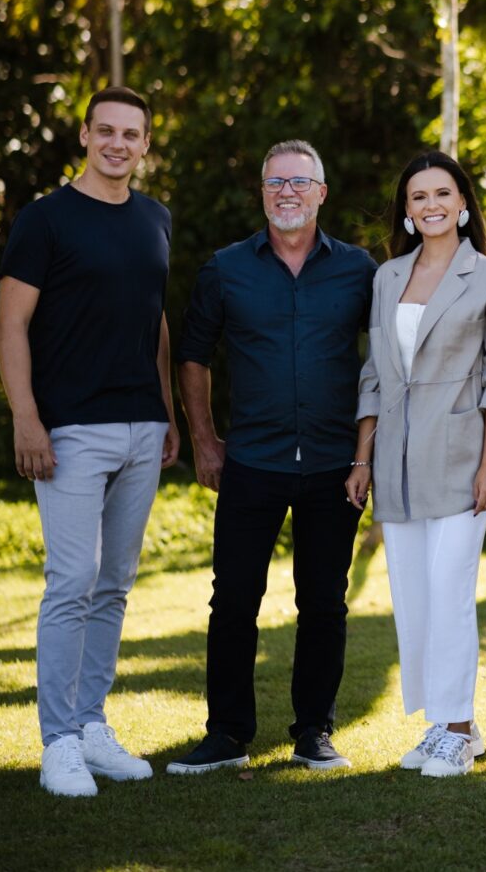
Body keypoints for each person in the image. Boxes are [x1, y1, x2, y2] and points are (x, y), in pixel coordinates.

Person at [167, 139, 375, 775]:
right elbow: (193, 356)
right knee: (233, 601)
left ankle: (314, 731)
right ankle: (228, 734)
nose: (287, 193)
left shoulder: (360, 270)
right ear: (261, 194)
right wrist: (205, 441)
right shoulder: (226, 268)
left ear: (321, 193)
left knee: (324, 604)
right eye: (275, 183)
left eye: (299, 182)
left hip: (334, 465)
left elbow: (385, 364)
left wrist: (366, 456)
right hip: (251, 462)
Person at [0, 86, 179, 798]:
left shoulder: (155, 218)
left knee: (114, 586)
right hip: (69, 428)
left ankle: (92, 724)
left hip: (142, 426)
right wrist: (26, 417)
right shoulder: (45, 219)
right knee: (71, 582)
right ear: (84, 135)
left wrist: (167, 412)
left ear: (145, 143)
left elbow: (155, 319)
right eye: (106, 130)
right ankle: (59, 743)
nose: (117, 143)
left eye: (131, 134)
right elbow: (11, 325)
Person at [345, 152, 486, 778]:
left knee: (450, 591)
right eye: (418, 197)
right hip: (395, 459)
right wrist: (362, 457)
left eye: (442, 193)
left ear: (463, 202)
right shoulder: (387, 277)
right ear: (407, 211)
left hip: (463, 455)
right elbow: (374, 372)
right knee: (414, 597)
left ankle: (459, 728)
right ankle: (443, 724)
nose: (431, 205)